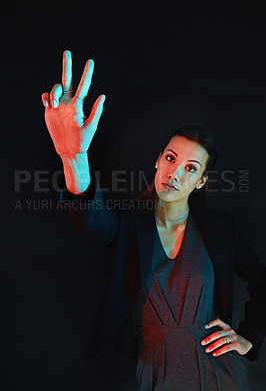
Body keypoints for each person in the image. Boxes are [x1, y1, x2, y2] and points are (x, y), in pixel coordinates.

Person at [41, 50, 266, 390]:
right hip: (158, 373)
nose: (175, 173)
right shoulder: (130, 225)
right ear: (157, 161)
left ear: (201, 181)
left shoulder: (222, 228)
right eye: (171, 158)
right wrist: (74, 158)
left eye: (191, 168)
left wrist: (248, 339)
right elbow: (93, 219)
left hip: (223, 376)